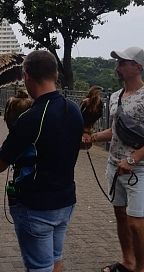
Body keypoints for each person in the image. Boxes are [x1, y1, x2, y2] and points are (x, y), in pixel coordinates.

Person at [0, 50, 83, 271]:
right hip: (65, 201)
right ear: (55, 74)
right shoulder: (73, 109)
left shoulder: (32, 117)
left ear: (26, 76)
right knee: (55, 259)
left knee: (40, 267)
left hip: (36, 206)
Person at [86, 47, 144, 272]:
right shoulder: (115, 97)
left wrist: (133, 159)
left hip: (138, 170)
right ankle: (128, 262)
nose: (117, 66)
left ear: (138, 67)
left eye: (123, 62)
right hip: (114, 165)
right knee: (120, 215)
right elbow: (114, 131)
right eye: (118, 62)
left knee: (136, 223)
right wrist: (92, 138)